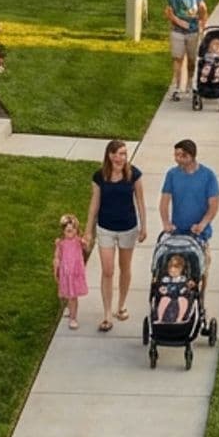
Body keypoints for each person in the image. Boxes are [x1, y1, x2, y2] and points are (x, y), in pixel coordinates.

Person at [87, 140, 147, 333]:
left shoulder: (133, 174)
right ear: (109, 155)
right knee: (107, 270)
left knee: (124, 267)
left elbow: (140, 202)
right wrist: (89, 230)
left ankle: (121, 305)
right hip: (105, 228)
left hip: (128, 228)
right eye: (115, 154)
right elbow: (94, 204)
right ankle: (106, 314)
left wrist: (143, 226)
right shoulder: (99, 176)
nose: (119, 158)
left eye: (122, 153)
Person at [160, 138, 219, 254]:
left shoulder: (208, 176)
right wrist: (166, 222)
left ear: (189, 156)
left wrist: (202, 225)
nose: (176, 159)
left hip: (199, 234)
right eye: (175, 155)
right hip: (177, 233)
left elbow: (214, 205)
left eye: (179, 155)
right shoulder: (172, 174)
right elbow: (164, 201)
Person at [165, 0, 207, 101]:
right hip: (178, 31)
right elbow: (168, 11)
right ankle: (176, 87)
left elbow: (202, 9)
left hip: (193, 30)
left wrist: (202, 23)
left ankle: (189, 84)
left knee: (192, 60)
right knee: (178, 58)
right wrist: (178, 21)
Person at [53, 215, 90, 330]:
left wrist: (85, 242)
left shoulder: (78, 241)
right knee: (69, 294)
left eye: (73, 229)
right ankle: (71, 311)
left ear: (76, 230)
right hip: (66, 273)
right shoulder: (61, 243)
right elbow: (57, 256)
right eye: (67, 230)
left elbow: (86, 247)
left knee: (73, 296)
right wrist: (56, 266)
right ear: (63, 231)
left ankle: (73, 318)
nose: (70, 232)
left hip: (75, 273)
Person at [153, 253, 196, 324]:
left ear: (181, 270)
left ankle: (180, 318)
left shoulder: (183, 279)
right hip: (168, 295)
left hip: (181, 295)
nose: (173, 272)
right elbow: (161, 287)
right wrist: (161, 289)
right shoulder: (166, 279)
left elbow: (188, 286)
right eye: (171, 270)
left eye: (176, 271)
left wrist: (189, 285)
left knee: (183, 301)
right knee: (164, 300)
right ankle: (159, 318)